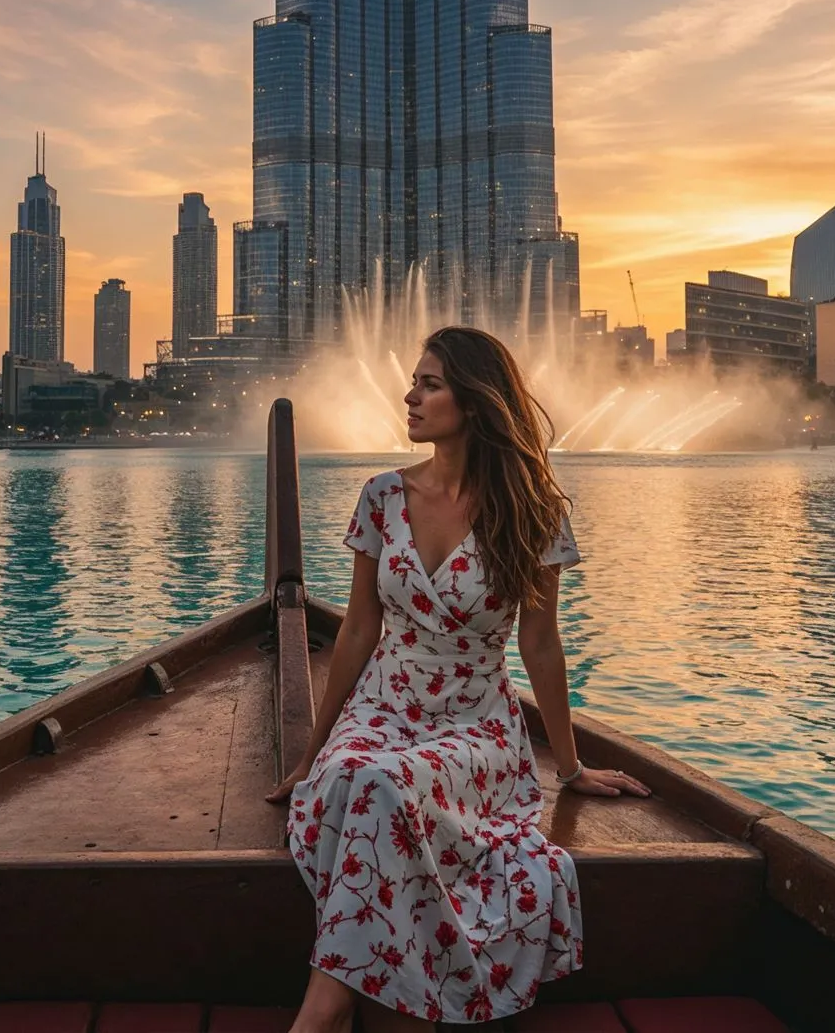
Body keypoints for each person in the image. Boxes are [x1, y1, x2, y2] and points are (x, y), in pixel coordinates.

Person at [267, 326, 649, 1032]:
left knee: (381, 785)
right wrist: (314, 750)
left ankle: (323, 1007)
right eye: (413, 380)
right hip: (381, 705)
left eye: (430, 383)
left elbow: (539, 642)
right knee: (353, 775)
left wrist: (568, 765)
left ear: (474, 402)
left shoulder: (532, 510)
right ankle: (374, 1009)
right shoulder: (381, 496)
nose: (409, 395)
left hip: (474, 724)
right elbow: (357, 631)